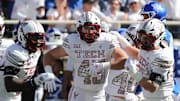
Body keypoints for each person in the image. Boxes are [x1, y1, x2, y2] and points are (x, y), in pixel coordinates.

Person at [43, 11, 128, 101]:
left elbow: (124, 60)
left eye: (92, 28)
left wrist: (104, 66)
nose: (90, 32)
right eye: (86, 29)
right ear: (79, 30)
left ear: (98, 28)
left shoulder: (106, 40)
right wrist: (49, 72)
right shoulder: (73, 41)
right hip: (79, 92)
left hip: (100, 93)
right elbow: (49, 55)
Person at [117, 18, 174, 101]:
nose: (143, 41)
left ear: (158, 37)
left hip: (161, 99)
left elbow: (152, 87)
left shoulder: (163, 57)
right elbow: (138, 54)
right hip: (148, 97)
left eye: (147, 38)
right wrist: (121, 40)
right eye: (141, 36)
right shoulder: (148, 48)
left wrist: (134, 74)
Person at [0, 20, 56, 101]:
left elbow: (35, 71)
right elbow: (10, 85)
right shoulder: (15, 52)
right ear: (22, 36)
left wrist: (43, 81)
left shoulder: (36, 52)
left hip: (17, 96)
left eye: (40, 38)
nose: (38, 42)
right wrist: (36, 82)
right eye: (34, 37)